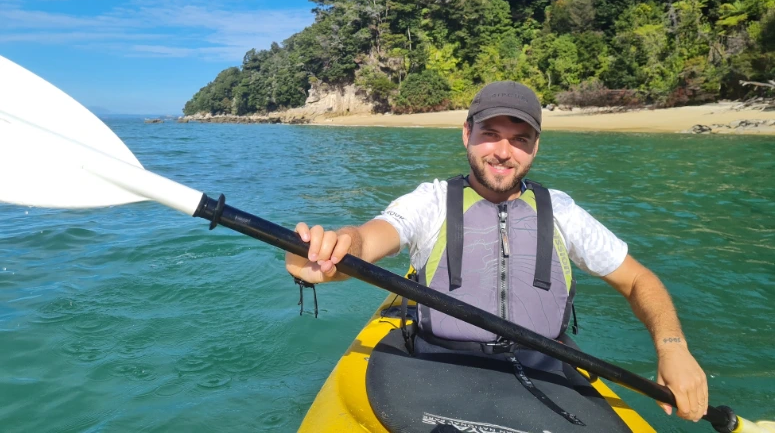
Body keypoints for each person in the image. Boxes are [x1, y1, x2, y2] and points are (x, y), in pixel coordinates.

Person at [285, 81, 709, 423]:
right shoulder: (431, 201)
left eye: (519, 139)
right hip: (436, 363)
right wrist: (330, 253)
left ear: (535, 146)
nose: (503, 152)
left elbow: (638, 279)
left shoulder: (561, 210)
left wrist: (673, 347)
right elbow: (368, 240)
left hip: (546, 368)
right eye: (490, 134)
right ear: (467, 134)